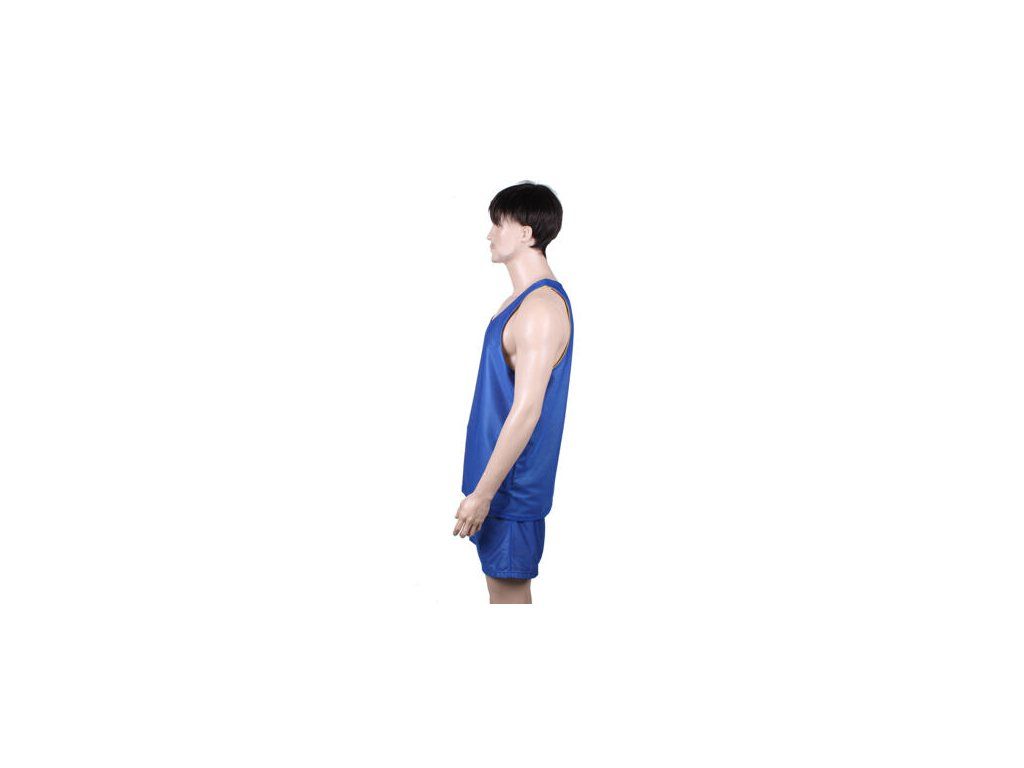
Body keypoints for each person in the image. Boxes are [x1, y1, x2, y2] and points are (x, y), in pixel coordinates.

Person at [454, 181, 574, 604]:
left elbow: (527, 411)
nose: (490, 234)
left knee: (509, 602)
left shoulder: (540, 310)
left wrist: (483, 495)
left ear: (525, 233)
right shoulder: (520, 301)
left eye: (498, 224)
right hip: (495, 485)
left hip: (510, 492)